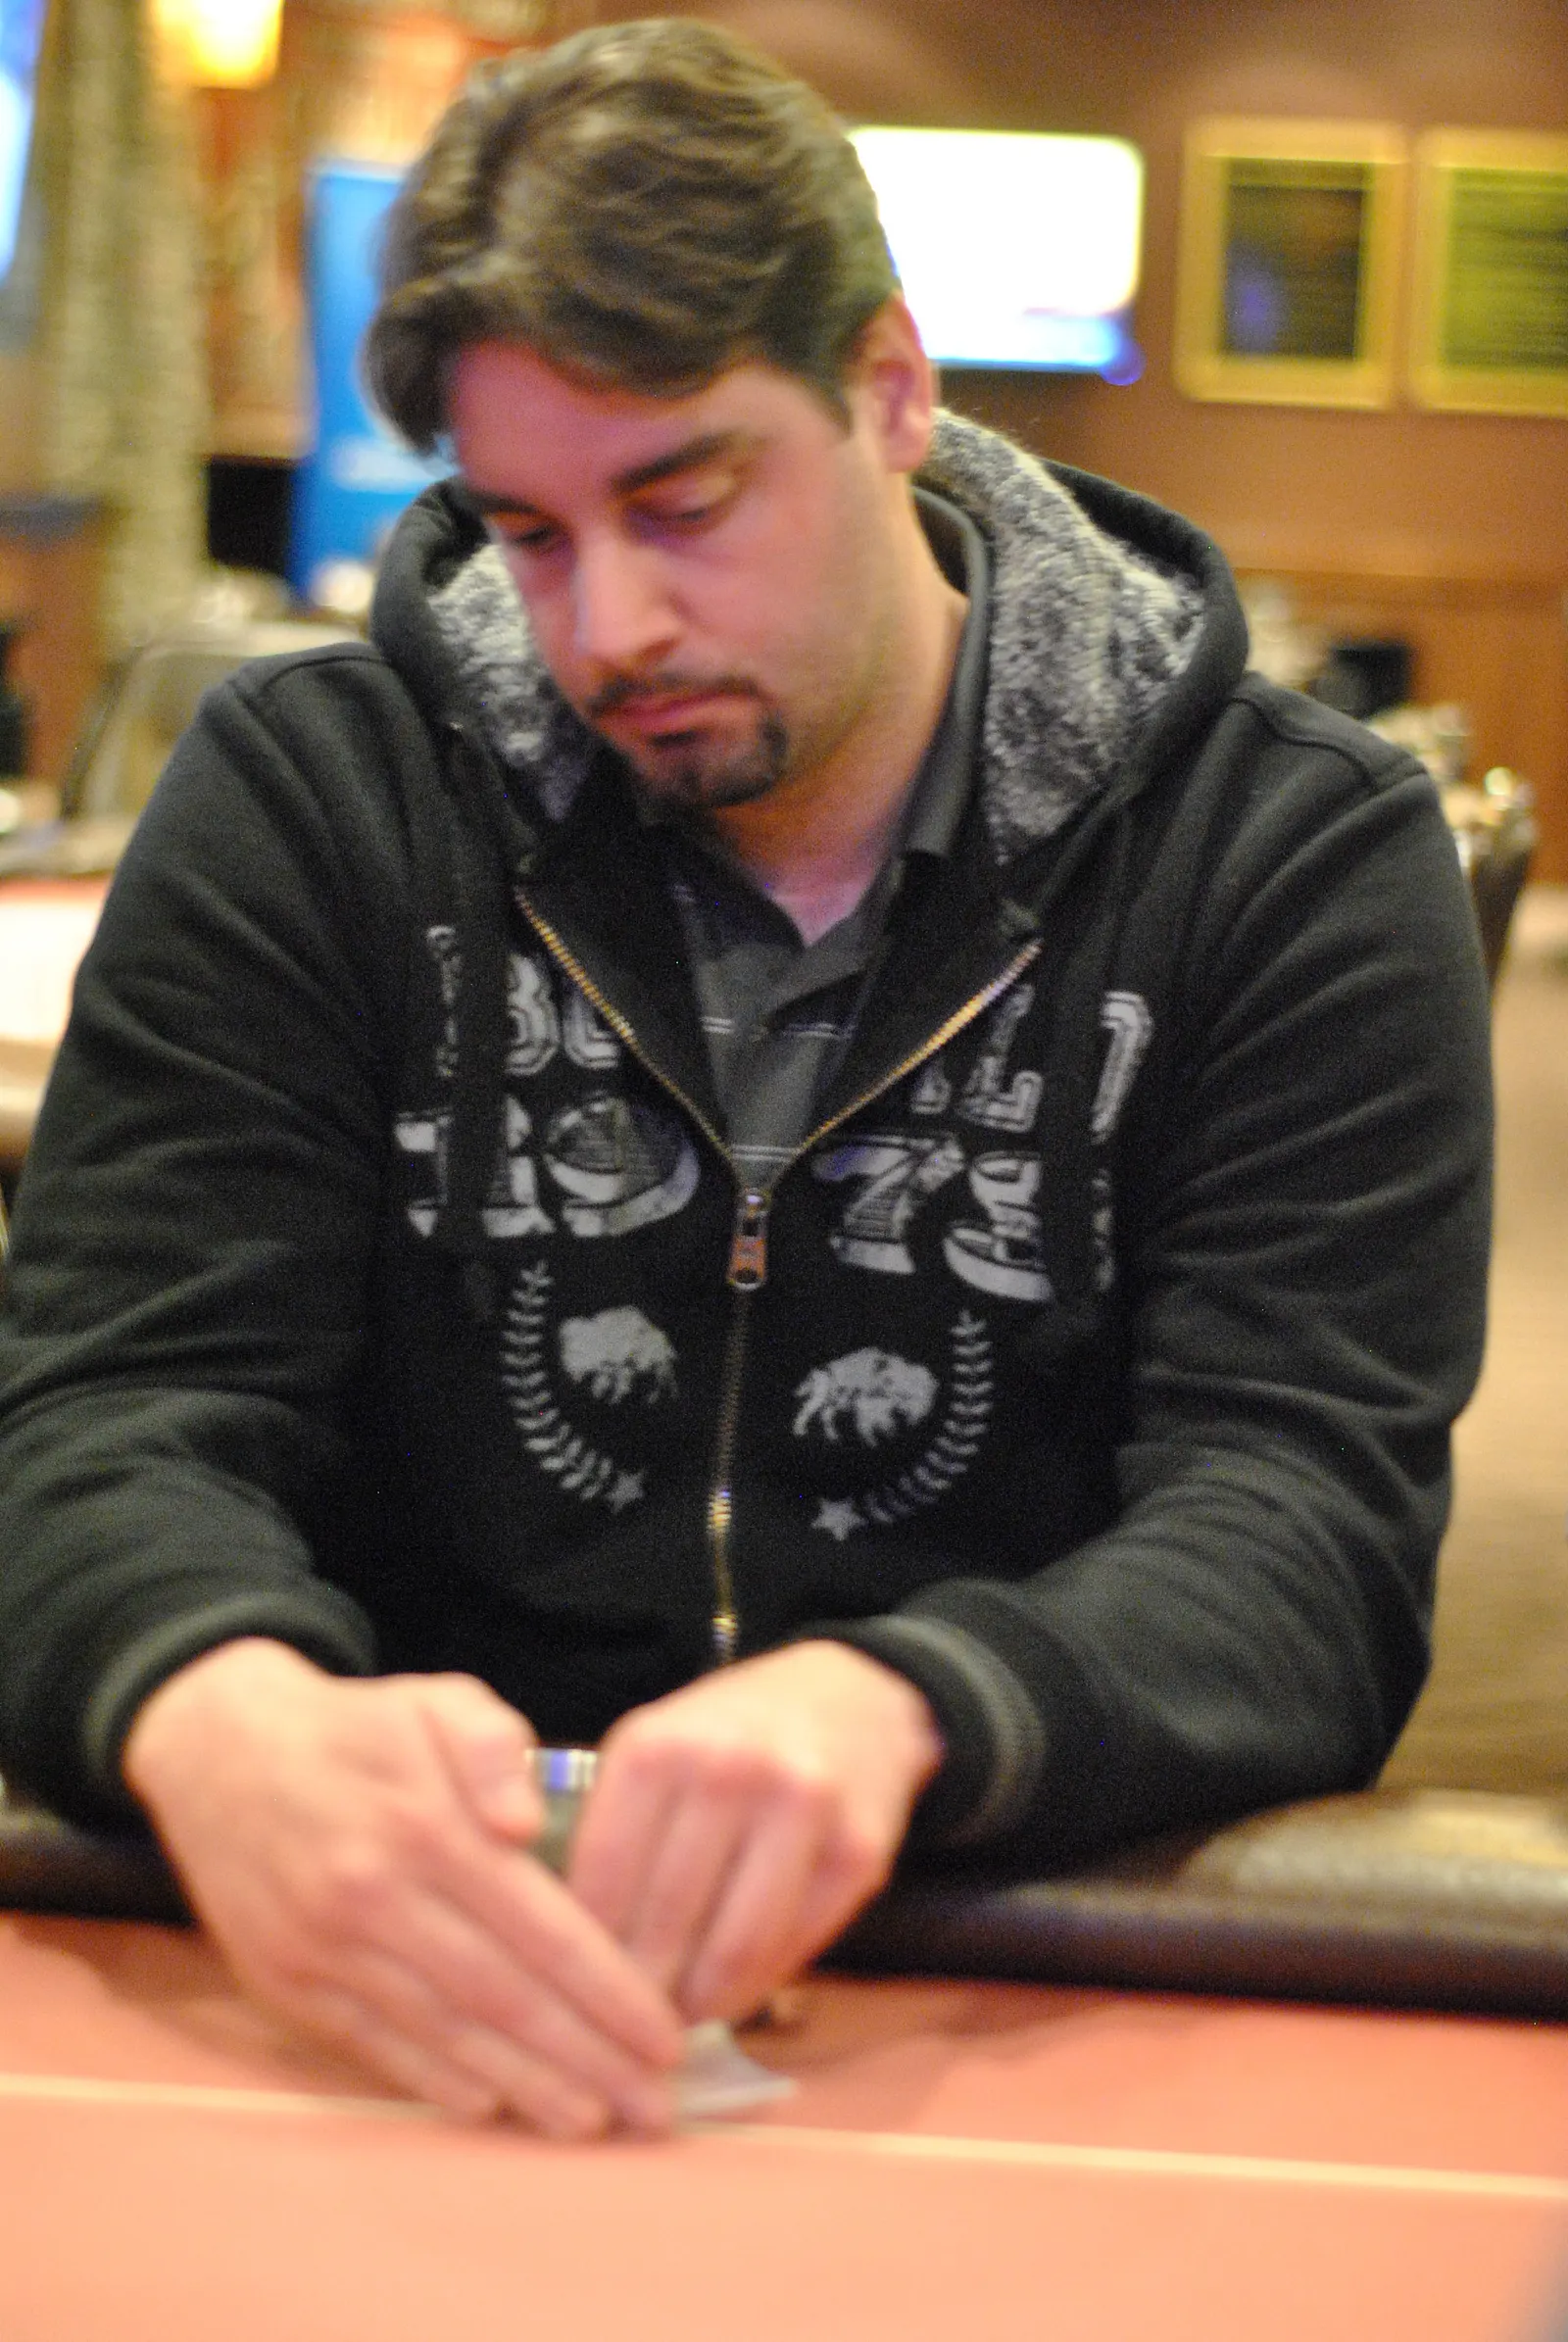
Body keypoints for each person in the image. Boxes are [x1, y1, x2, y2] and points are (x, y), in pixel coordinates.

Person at [0, 19, 1492, 2138]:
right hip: (390, 1958)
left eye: (682, 502)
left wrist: (911, 1705)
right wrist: (208, 1697)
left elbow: (1301, 1531)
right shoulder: (316, 796)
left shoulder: (1283, 852)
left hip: (1010, 1953)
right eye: (525, 532)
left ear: (890, 387)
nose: (607, 626)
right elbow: (107, 1413)